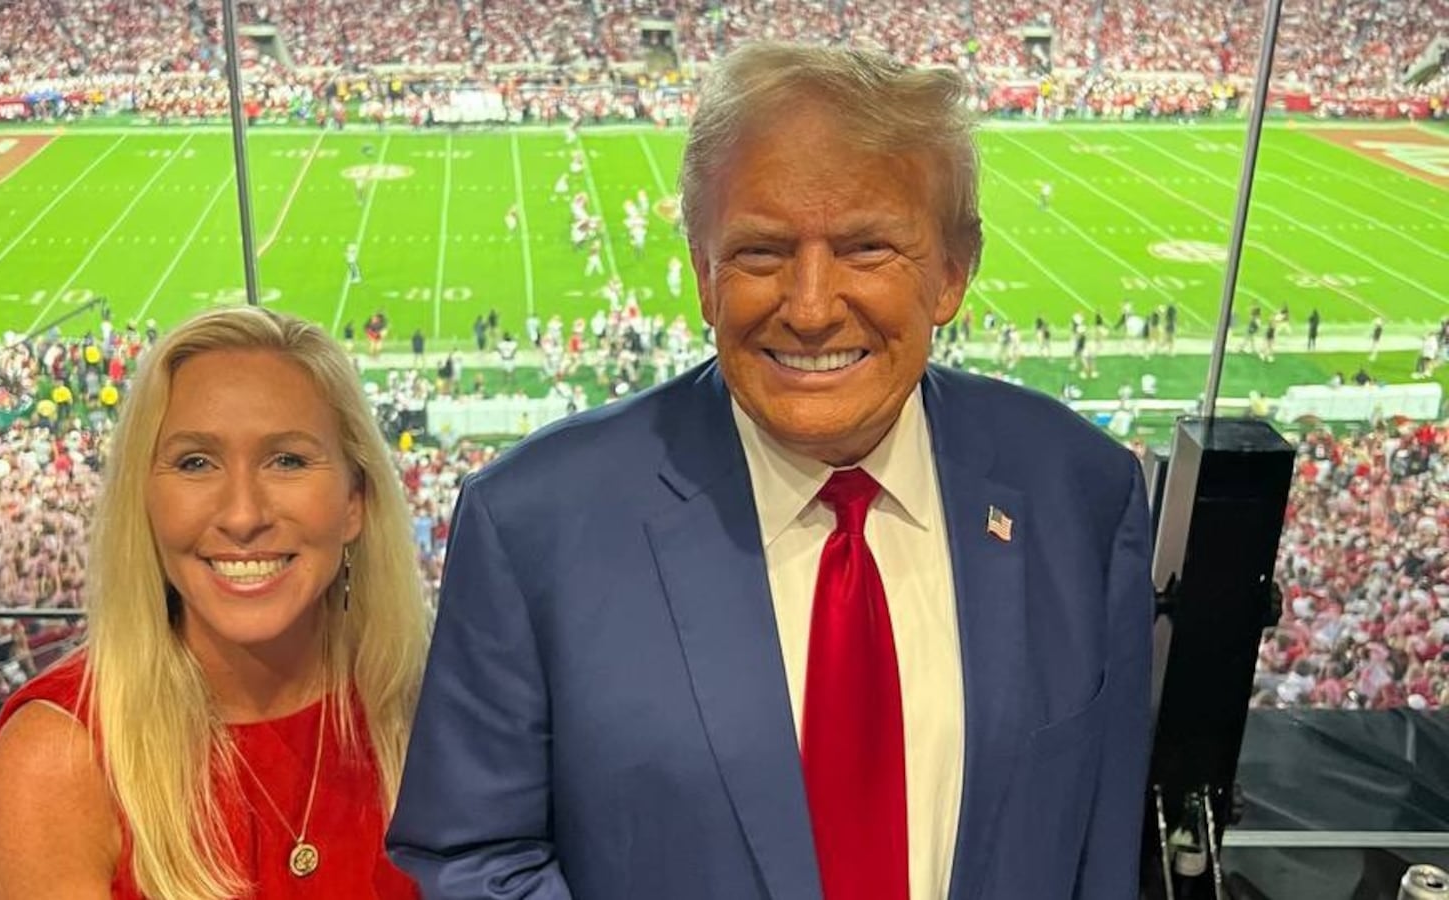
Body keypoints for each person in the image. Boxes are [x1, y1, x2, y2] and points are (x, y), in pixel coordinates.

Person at [389, 42, 1154, 900]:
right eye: (760, 252)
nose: (812, 306)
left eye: (868, 248)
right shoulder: (532, 523)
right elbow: (476, 857)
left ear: (951, 273)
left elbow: (1101, 845)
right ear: (703, 275)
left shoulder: (1078, 491)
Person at [0, 307, 425, 899]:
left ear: (355, 501)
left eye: (287, 460)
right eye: (195, 462)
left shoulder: (430, 708)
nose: (243, 515)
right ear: (145, 500)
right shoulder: (60, 757)